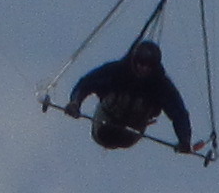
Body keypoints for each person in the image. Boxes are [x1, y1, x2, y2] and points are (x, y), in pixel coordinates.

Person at [64, 38, 193, 153]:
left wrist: (184, 139)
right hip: (106, 121)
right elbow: (85, 84)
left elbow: (179, 112)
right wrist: (75, 103)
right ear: (135, 61)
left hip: (133, 128)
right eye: (141, 63)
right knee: (120, 99)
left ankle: (121, 132)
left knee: (140, 103)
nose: (144, 69)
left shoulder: (160, 84)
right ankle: (111, 129)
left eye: (149, 66)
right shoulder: (116, 71)